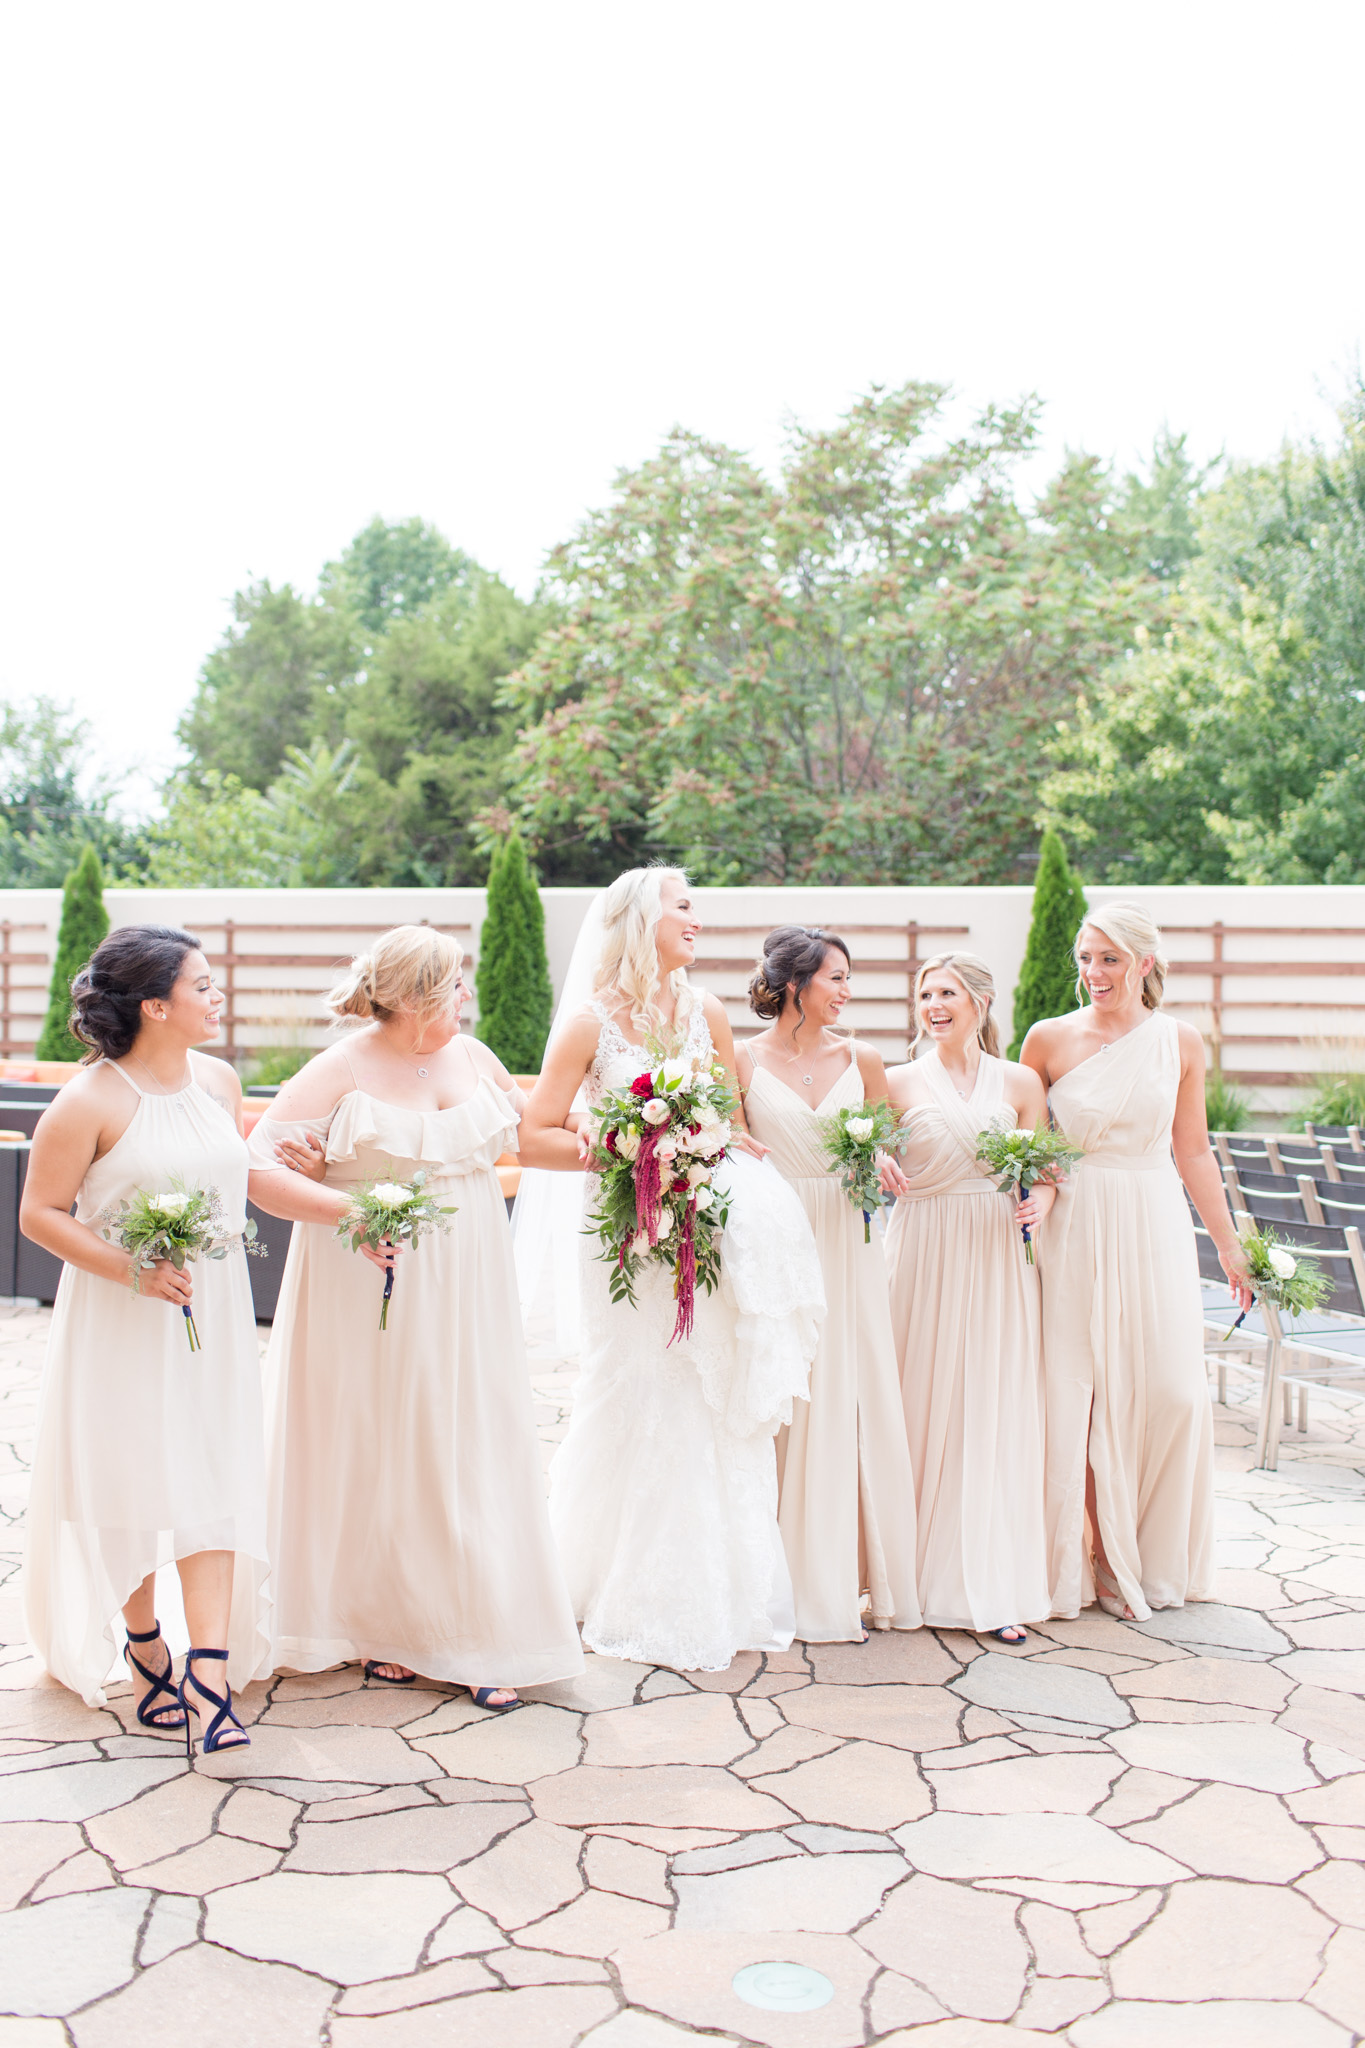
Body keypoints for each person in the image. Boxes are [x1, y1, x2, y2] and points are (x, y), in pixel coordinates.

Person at [246, 924, 582, 1706]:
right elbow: (259, 1169)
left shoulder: (475, 1057)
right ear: (414, 996)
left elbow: (535, 1138)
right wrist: (346, 1208)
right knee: (381, 1437)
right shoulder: (341, 1066)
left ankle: (467, 1629)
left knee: (463, 1433)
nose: (466, 994)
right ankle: (380, 1626)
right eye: (453, 983)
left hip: (469, 1274)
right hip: (367, 1277)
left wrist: (633, 1144)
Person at [517, 868, 824, 1672]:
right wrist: (626, 1148)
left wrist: (708, 1145)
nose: (697, 919)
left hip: (704, 1231)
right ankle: (598, 1582)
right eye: (682, 906)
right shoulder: (587, 1025)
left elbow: (725, 1119)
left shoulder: (707, 1011)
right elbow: (533, 1136)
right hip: (625, 1235)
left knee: (705, 1394)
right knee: (633, 1388)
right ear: (638, 918)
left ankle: (716, 1590)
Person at [22, 926, 268, 1754]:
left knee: (214, 1475)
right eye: (202, 985)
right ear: (156, 1005)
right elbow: (39, 1215)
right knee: (133, 1483)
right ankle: (143, 1644)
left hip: (217, 1311)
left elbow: (232, 1174)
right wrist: (131, 1269)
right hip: (123, 1318)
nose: (217, 995)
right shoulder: (89, 1100)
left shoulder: (220, 1080)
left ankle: (210, 1674)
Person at [1021, 905, 1252, 1622]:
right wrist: (1040, 1195)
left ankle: (1152, 1551)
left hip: (1152, 1215)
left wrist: (1226, 1241)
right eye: (1085, 958)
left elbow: (1191, 1149)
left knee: (1171, 1391)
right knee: (1082, 1393)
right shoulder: (1048, 1039)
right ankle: (1098, 1558)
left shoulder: (1179, 1042)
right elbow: (1030, 1144)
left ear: (1144, 964)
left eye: (1109, 959)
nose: (1093, 973)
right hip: (1078, 1221)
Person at [736, 926, 919, 1643]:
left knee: (847, 1390)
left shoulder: (863, 1059)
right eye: (835, 978)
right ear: (793, 984)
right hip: (774, 1238)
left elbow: (888, 1140)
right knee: (779, 1391)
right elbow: (729, 1144)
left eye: (848, 979)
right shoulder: (739, 1059)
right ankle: (774, 1578)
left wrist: (876, 1155)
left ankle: (845, 1574)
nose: (847, 992)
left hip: (846, 1238)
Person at [883, 952, 1051, 1642]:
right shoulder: (891, 1081)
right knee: (915, 1406)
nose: (933, 1004)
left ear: (980, 1001)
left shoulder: (1020, 1081)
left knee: (988, 1408)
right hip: (918, 1246)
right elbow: (857, 1152)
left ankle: (985, 1583)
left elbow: (1043, 1167)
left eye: (946, 992)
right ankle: (903, 1580)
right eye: (925, 993)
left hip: (992, 1251)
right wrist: (871, 1158)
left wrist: (1038, 1197)